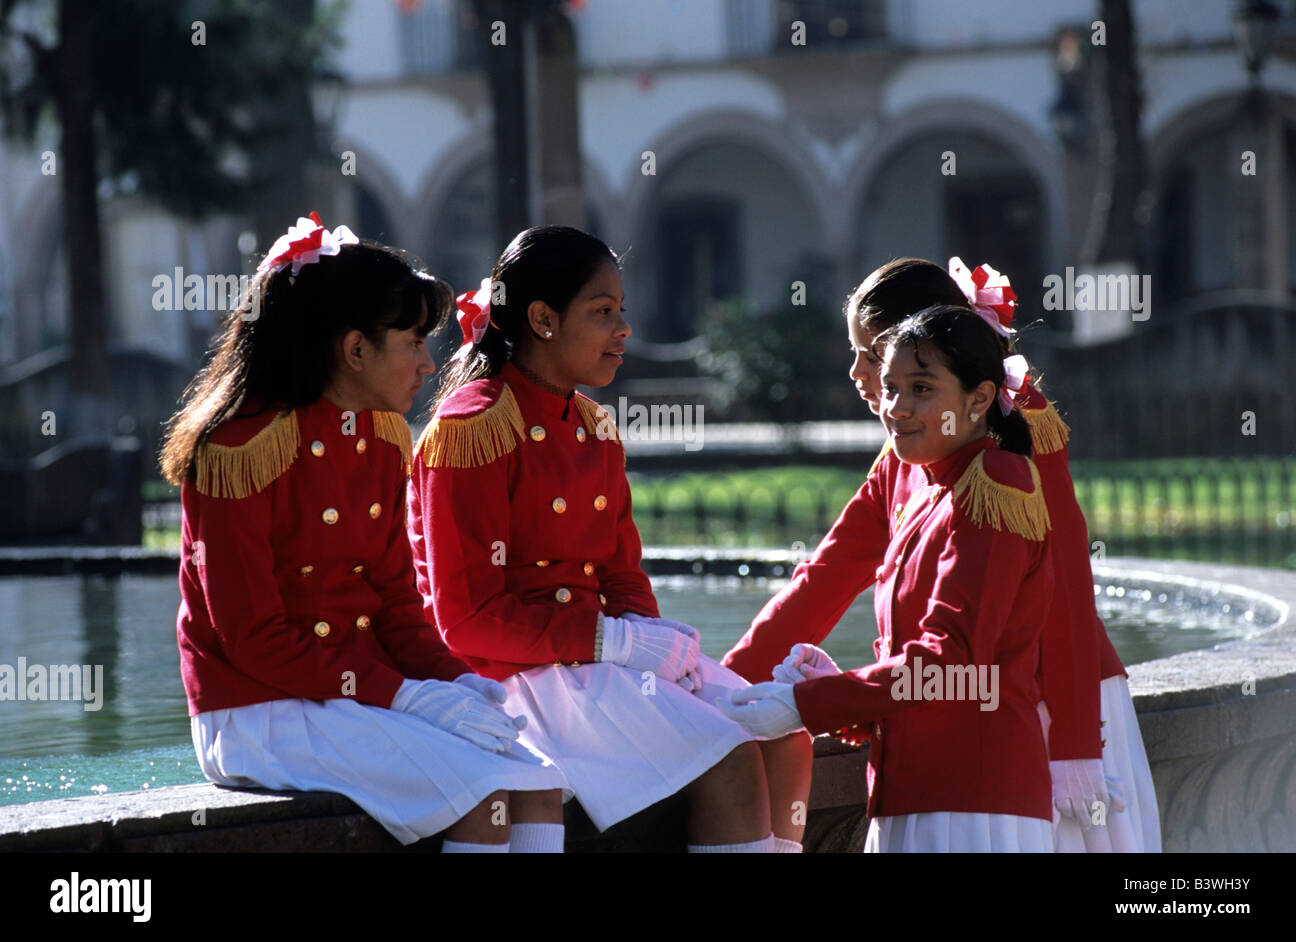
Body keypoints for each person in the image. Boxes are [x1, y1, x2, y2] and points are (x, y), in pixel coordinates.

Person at [160, 213, 567, 853]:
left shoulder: (377, 440)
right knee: (486, 788)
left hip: (351, 697)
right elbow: (254, 640)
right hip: (258, 712)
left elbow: (398, 608)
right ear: (354, 350)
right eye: (412, 342)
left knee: (537, 776)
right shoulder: (238, 447)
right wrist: (404, 696)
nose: (429, 365)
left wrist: (455, 680)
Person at [724, 256, 1159, 852]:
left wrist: (1076, 745)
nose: (860, 372)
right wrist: (724, 683)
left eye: (873, 353)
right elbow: (826, 574)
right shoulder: (910, 453)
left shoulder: (1013, 439)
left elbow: (1064, 592)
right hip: (944, 711)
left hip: (1053, 701)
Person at [407, 225, 782, 852]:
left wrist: (659, 656)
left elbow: (621, 576)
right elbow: (466, 621)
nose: (623, 329)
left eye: (621, 311)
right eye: (602, 312)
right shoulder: (471, 427)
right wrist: (619, 642)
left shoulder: (592, 426)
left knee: (780, 738)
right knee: (733, 756)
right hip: (512, 673)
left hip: (588, 663)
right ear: (543, 319)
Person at [722, 304, 1055, 852]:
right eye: (891, 388)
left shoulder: (993, 481)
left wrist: (810, 704)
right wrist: (836, 687)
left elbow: (952, 663)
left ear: (979, 398)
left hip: (970, 800)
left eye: (921, 388)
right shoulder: (930, 484)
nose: (896, 407)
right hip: (916, 793)